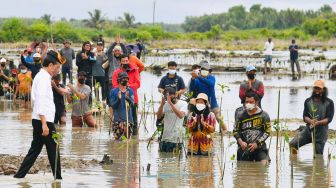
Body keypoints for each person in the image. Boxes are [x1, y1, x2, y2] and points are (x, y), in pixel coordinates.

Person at [14, 50, 64, 179]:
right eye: (57, 67)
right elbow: (40, 101)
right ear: (51, 65)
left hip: (39, 119)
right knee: (54, 150)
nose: (57, 70)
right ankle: (58, 180)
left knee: (35, 151)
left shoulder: (43, 76)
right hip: (43, 120)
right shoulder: (43, 78)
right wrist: (44, 124)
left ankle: (19, 177)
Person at [289, 80, 334, 155]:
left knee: (318, 155)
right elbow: (305, 116)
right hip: (308, 130)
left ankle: (317, 166)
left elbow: (329, 119)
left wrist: (318, 122)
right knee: (293, 144)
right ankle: (294, 161)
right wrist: (311, 121)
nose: (317, 90)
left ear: (323, 90)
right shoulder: (308, 101)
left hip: (321, 133)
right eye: (315, 88)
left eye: (319, 88)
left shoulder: (329, 103)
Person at [233, 92, 271, 164]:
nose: (248, 104)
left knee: (264, 165)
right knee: (242, 170)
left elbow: (267, 131)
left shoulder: (264, 115)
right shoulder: (240, 115)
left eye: (251, 102)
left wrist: (257, 143)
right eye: (246, 102)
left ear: (256, 102)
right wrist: (241, 142)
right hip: (244, 148)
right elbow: (235, 131)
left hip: (259, 147)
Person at [189, 60, 226, 131]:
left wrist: (199, 77)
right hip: (201, 104)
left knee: (218, 117)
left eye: (206, 70)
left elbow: (210, 84)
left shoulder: (211, 78)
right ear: (200, 70)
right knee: (201, 118)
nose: (204, 71)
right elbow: (192, 88)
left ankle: (225, 130)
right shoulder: (196, 80)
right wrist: (193, 79)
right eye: (203, 69)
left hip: (212, 103)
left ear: (209, 71)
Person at [112, 54, 140, 134]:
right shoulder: (117, 72)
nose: (125, 62)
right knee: (119, 120)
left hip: (132, 98)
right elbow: (114, 85)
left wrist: (128, 85)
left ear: (129, 61)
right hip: (119, 99)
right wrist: (123, 87)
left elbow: (138, 84)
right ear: (120, 62)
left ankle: (134, 139)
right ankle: (120, 136)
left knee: (133, 119)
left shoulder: (134, 70)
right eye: (123, 61)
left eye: (127, 61)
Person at [157, 87, 188, 152]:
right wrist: (162, 105)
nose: (169, 99)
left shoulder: (183, 103)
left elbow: (181, 115)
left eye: (170, 97)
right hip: (164, 138)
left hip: (176, 139)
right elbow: (159, 117)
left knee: (176, 160)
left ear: (176, 95)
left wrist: (170, 104)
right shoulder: (165, 104)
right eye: (167, 97)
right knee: (162, 159)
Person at [110, 72, 134, 139]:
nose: (125, 80)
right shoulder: (113, 91)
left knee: (127, 140)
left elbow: (132, 104)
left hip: (128, 119)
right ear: (119, 80)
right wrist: (119, 99)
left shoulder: (130, 91)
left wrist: (128, 98)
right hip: (118, 119)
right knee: (117, 141)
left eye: (126, 79)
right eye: (123, 79)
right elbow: (113, 106)